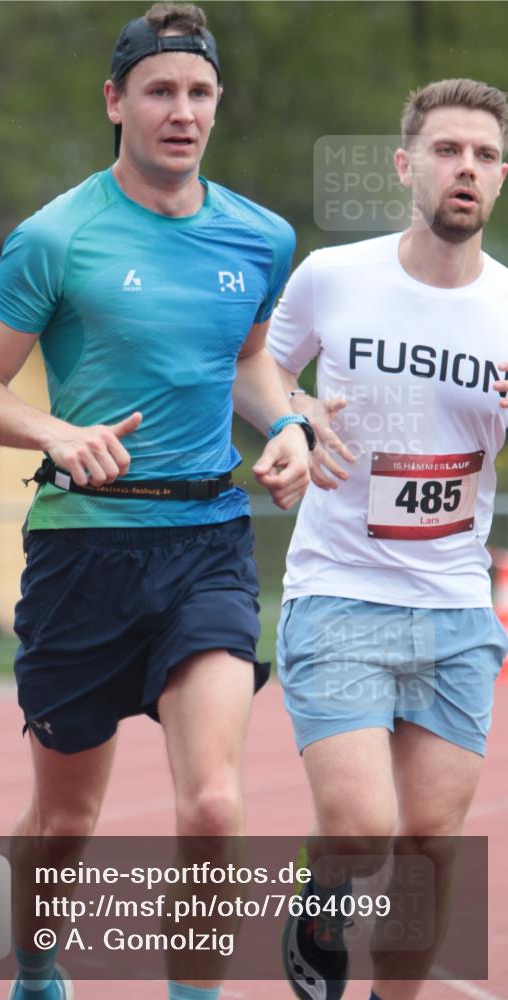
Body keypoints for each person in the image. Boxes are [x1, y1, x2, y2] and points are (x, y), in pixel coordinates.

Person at [0, 4, 315, 999]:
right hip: (83, 554)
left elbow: (244, 363)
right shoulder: (53, 237)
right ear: (116, 101)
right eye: (160, 90)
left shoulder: (260, 234)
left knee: (211, 806)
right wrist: (56, 433)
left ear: (217, 106)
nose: (181, 111)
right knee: (66, 822)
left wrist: (284, 429)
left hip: (207, 542)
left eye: (198, 93)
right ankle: (36, 966)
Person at [267, 78, 508, 1000]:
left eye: (484, 157)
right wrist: (290, 421)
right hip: (340, 593)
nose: (466, 169)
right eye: (448, 151)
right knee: (361, 829)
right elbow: (258, 372)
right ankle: (320, 892)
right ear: (407, 166)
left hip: (453, 605)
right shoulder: (334, 276)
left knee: (428, 847)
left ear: (499, 179)